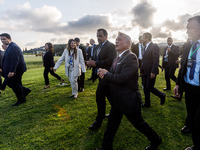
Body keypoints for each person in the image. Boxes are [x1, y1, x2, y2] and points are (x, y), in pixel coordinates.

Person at [95, 32, 162, 150]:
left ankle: (156, 140)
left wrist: (107, 74)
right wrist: (104, 72)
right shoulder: (118, 56)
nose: (116, 41)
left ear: (128, 43)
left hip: (128, 100)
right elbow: (113, 73)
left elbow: (122, 78)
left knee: (139, 124)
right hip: (117, 99)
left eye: (119, 40)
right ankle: (106, 147)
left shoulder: (131, 57)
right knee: (112, 124)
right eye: (115, 39)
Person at [173, 15, 200, 150]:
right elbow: (183, 66)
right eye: (187, 28)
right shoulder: (188, 44)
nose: (187, 31)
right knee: (192, 119)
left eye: (191, 28)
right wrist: (178, 84)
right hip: (190, 88)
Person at [86, 28, 116, 130]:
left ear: (106, 36)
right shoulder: (97, 46)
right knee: (110, 96)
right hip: (100, 75)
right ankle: (116, 112)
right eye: (97, 36)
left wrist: (96, 63)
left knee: (99, 96)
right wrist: (91, 63)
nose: (98, 38)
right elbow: (96, 59)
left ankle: (99, 120)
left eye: (100, 36)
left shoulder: (111, 46)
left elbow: (111, 60)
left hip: (107, 75)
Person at [0, 33, 31, 106]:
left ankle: (21, 99)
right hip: (14, 70)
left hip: (17, 70)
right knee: (15, 84)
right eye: (1, 39)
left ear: (9, 39)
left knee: (15, 85)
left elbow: (15, 60)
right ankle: (25, 91)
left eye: (4, 39)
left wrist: (12, 71)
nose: (2, 41)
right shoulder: (10, 47)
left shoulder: (13, 47)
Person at [141, 32, 166, 107]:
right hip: (145, 71)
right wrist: (142, 70)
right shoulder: (145, 47)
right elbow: (145, 60)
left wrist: (153, 71)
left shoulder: (154, 46)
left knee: (150, 87)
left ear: (147, 38)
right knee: (145, 87)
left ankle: (162, 95)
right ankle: (147, 104)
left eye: (143, 37)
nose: (142, 39)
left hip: (151, 71)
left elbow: (155, 59)